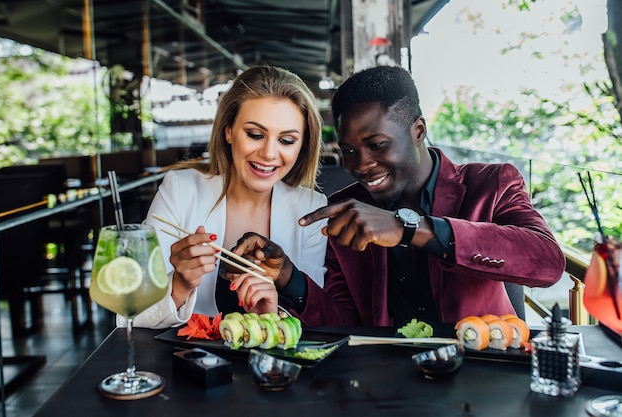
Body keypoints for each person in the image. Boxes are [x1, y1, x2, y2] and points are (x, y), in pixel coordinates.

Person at [229, 65, 566, 327]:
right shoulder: (346, 210)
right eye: (348, 150)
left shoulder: (490, 184)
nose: (360, 165)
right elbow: (345, 325)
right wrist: (288, 277)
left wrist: (410, 228)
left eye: (377, 145)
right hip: (387, 383)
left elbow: (548, 263)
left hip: (481, 375)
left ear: (417, 131)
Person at [120, 65, 328, 329]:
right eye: (255, 135)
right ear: (228, 131)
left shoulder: (311, 208)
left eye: (286, 140)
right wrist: (179, 283)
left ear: (302, 146)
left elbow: (316, 314)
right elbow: (132, 312)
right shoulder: (181, 190)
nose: (269, 153)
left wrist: (273, 315)